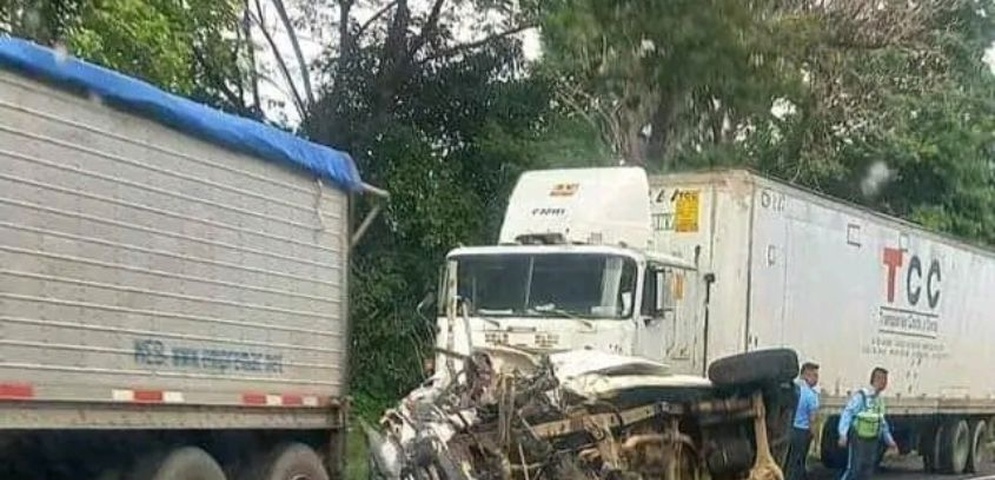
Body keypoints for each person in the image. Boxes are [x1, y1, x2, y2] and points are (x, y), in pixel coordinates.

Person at [837, 367, 899, 480]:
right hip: (859, 437)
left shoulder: (879, 400)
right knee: (855, 469)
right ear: (876, 379)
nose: (885, 383)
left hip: (872, 438)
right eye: (884, 379)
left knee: (867, 470)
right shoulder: (862, 396)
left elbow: (882, 423)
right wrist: (843, 434)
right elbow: (848, 413)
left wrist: (890, 441)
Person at [786, 362, 820, 480]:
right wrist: (816, 439)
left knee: (788, 462)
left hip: (787, 430)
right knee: (799, 464)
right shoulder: (811, 396)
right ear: (806, 375)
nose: (816, 379)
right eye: (814, 376)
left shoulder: (792, 390)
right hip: (802, 433)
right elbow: (813, 420)